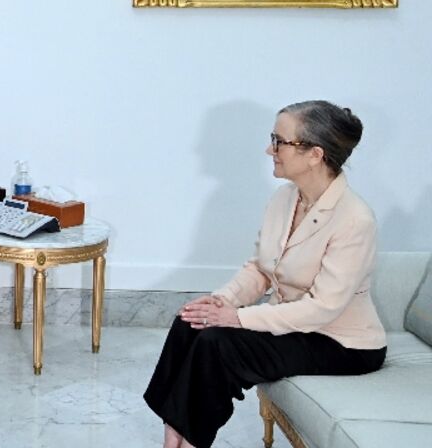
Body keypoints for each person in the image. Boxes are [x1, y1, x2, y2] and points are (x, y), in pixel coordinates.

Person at [144, 101, 386, 448]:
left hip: (341, 342)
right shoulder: (284, 199)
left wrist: (237, 318)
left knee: (217, 343)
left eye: (279, 141)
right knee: (190, 321)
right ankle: (172, 440)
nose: (269, 149)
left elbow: (323, 308)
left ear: (314, 154)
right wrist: (222, 300)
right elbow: (260, 267)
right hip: (297, 325)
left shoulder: (355, 219)